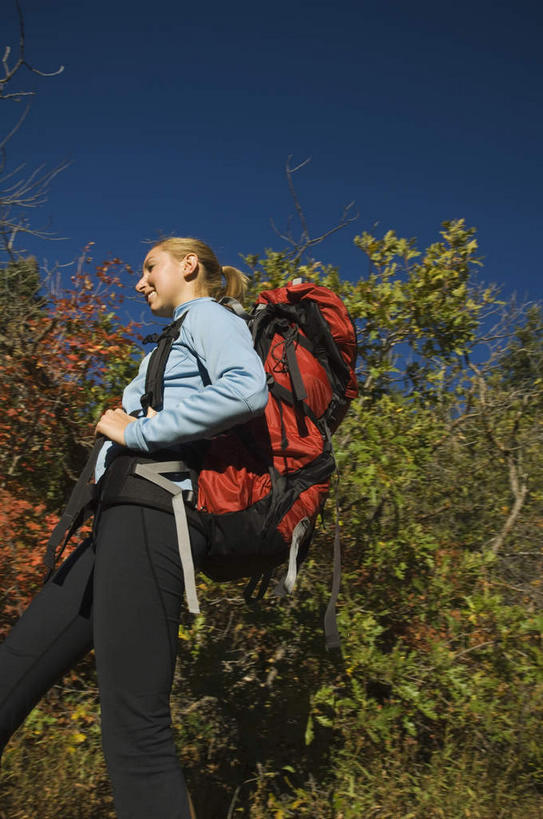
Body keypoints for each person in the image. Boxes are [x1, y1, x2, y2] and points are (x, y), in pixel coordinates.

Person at [0, 237, 269, 818]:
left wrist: (137, 433)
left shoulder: (207, 317)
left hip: (153, 514)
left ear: (189, 266)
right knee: (12, 672)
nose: (140, 282)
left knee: (134, 724)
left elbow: (247, 389)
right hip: (120, 522)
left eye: (151, 268)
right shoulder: (174, 338)